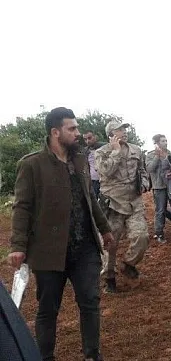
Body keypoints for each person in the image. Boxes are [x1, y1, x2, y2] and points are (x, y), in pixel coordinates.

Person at [8, 107, 114, 361]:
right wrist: (17, 245)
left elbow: (90, 200)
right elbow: (22, 207)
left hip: (85, 247)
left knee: (90, 302)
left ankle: (92, 355)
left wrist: (105, 229)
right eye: (72, 128)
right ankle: (45, 357)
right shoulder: (32, 164)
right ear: (56, 132)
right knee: (47, 309)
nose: (77, 133)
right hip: (48, 250)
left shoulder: (80, 161)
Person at [95, 121, 151, 293]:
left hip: (134, 202)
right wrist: (116, 152)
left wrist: (144, 182)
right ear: (111, 134)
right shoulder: (101, 152)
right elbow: (105, 172)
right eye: (120, 129)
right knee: (110, 244)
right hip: (113, 203)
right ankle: (109, 277)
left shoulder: (136, 149)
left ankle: (128, 264)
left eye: (124, 129)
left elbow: (142, 170)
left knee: (142, 236)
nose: (124, 132)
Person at [146, 134, 171, 243]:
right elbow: (149, 169)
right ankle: (159, 233)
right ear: (156, 143)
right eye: (162, 141)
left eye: (166, 140)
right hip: (159, 186)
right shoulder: (150, 155)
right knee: (160, 210)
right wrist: (157, 157)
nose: (165, 142)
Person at [82, 130, 105, 198]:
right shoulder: (85, 151)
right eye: (85, 139)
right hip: (93, 181)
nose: (87, 141)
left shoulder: (105, 147)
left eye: (89, 138)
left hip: (105, 180)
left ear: (95, 137)